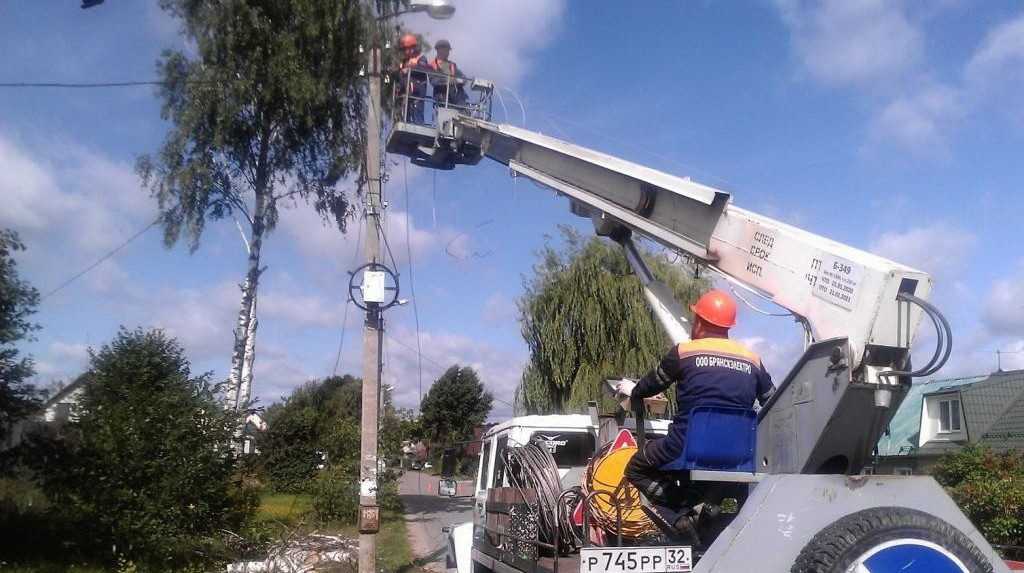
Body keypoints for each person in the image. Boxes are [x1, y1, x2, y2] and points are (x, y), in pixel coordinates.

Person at [618, 289, 775, 537]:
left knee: (636, 467)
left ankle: (679, 512)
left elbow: (652, 384)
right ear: (728, 326)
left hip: (684, 446)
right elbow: (773, 401)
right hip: (738, 453)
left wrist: (634, 391)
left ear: (700, 322)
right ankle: (709, 520)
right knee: (722, 483)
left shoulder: (683, 352)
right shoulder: (753, 359)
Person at [398, 33, 430, 123]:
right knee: (405, 117)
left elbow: (423, 69)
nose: (406, 51)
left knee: (417, 117)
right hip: (407, 94)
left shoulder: (421, 58)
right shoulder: (404, 62)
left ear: (413, 47)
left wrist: (409, 69)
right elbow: (401, 77)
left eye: (407, 48)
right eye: (404, 49)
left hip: (418, 93)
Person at [430, 39, 467, 107]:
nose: (448, 53)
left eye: (448, 50)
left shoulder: (452, 65)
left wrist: (458, 80)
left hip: (456, 95)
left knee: (462, 106)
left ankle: (463, 112)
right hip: (442, 95)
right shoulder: (432, 65)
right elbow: (433, 81)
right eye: (446, 50)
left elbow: (463, 78)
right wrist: (447, 80)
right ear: (439, 50)